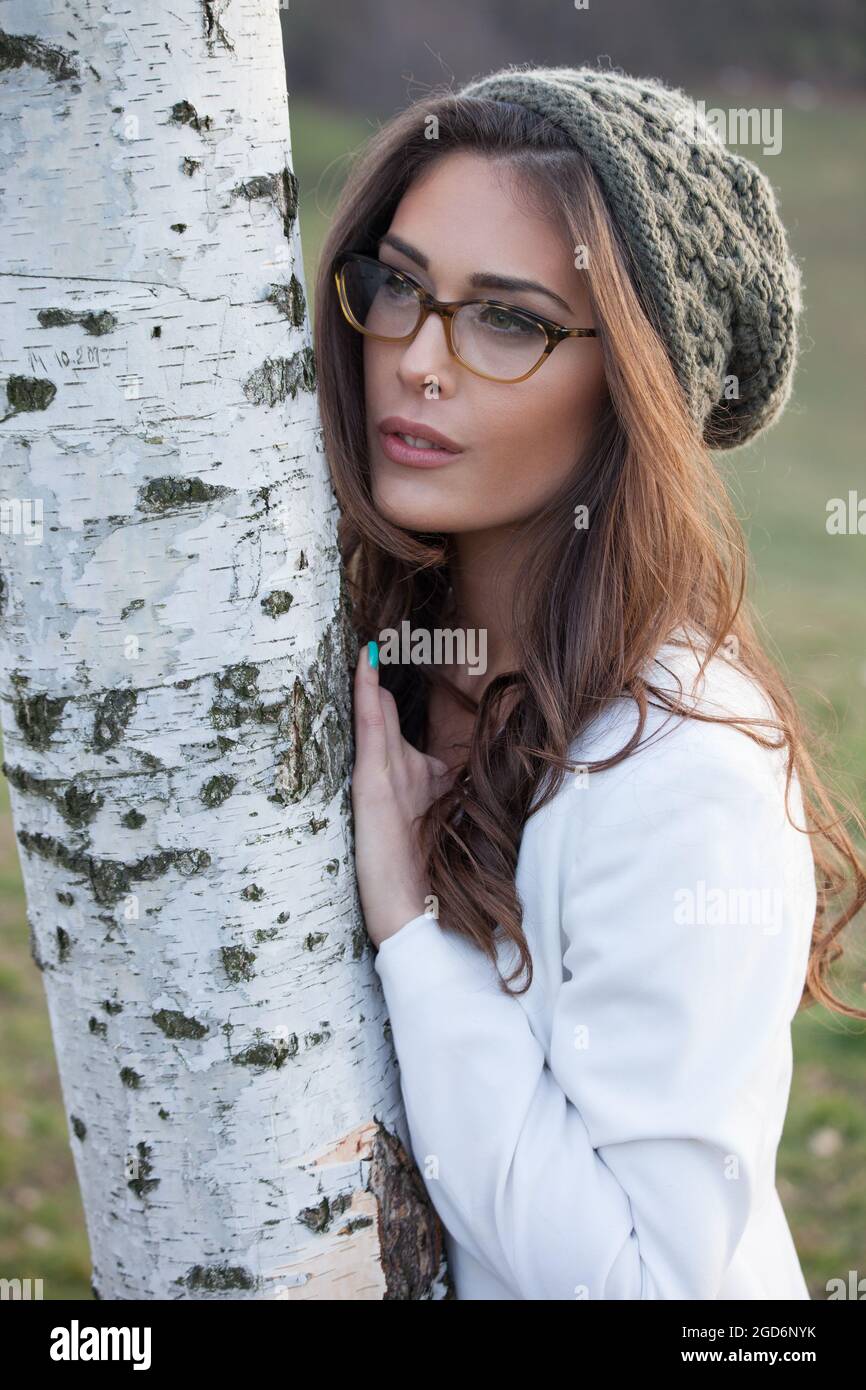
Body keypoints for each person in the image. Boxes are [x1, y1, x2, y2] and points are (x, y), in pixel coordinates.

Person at [313, 63, 866, 1300]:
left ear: (635, 392)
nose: (417, 360)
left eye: (505, 319)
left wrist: (408, 922)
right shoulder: (365, 651)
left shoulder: (682, 767)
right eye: (398, 287)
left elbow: (645, 1286)